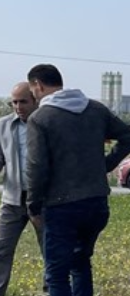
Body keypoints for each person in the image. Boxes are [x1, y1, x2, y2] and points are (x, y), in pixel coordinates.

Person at [25, 64, 130, 296]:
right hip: (96, 202)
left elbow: (36, 166)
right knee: (80, 264)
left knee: (56, 274)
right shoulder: (96, 109)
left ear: (38, 85)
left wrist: (33, 204)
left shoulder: (40, 118)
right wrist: (104, 165)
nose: (34, 96)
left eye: (33, 90)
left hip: (61, 205)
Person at [0, 82, 44, 295]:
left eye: (23, 101)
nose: (18, 106)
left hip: (44, 201)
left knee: (50, 250)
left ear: (35, 100)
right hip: (13, 199)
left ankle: (52, 290)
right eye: (14, 102)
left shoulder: (47, 123)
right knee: (1, 248)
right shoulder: (4, 126)